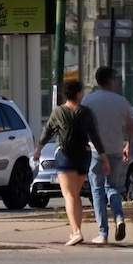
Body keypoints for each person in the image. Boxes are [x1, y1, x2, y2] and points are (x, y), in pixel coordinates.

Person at [35, 76, 106, 247]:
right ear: (79, 93)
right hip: (83, 156)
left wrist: (38, 150)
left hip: (65, 155)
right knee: (76, 195)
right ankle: (76, 230)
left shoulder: (58, 112)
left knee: (69, 195)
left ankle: (76, 232)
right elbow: (95, 136)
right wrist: (104, 157)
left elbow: (47, 132)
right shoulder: (87, 113)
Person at [84, 66, 133, 245]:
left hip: (96, 151)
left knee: (97, 190)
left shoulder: (89, 100)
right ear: (111, 81)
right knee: (112, 186)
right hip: (115, 150)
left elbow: (80, 121)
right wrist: (129, 144)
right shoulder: (121, 101)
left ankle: (103, 233)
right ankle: (119, 217)